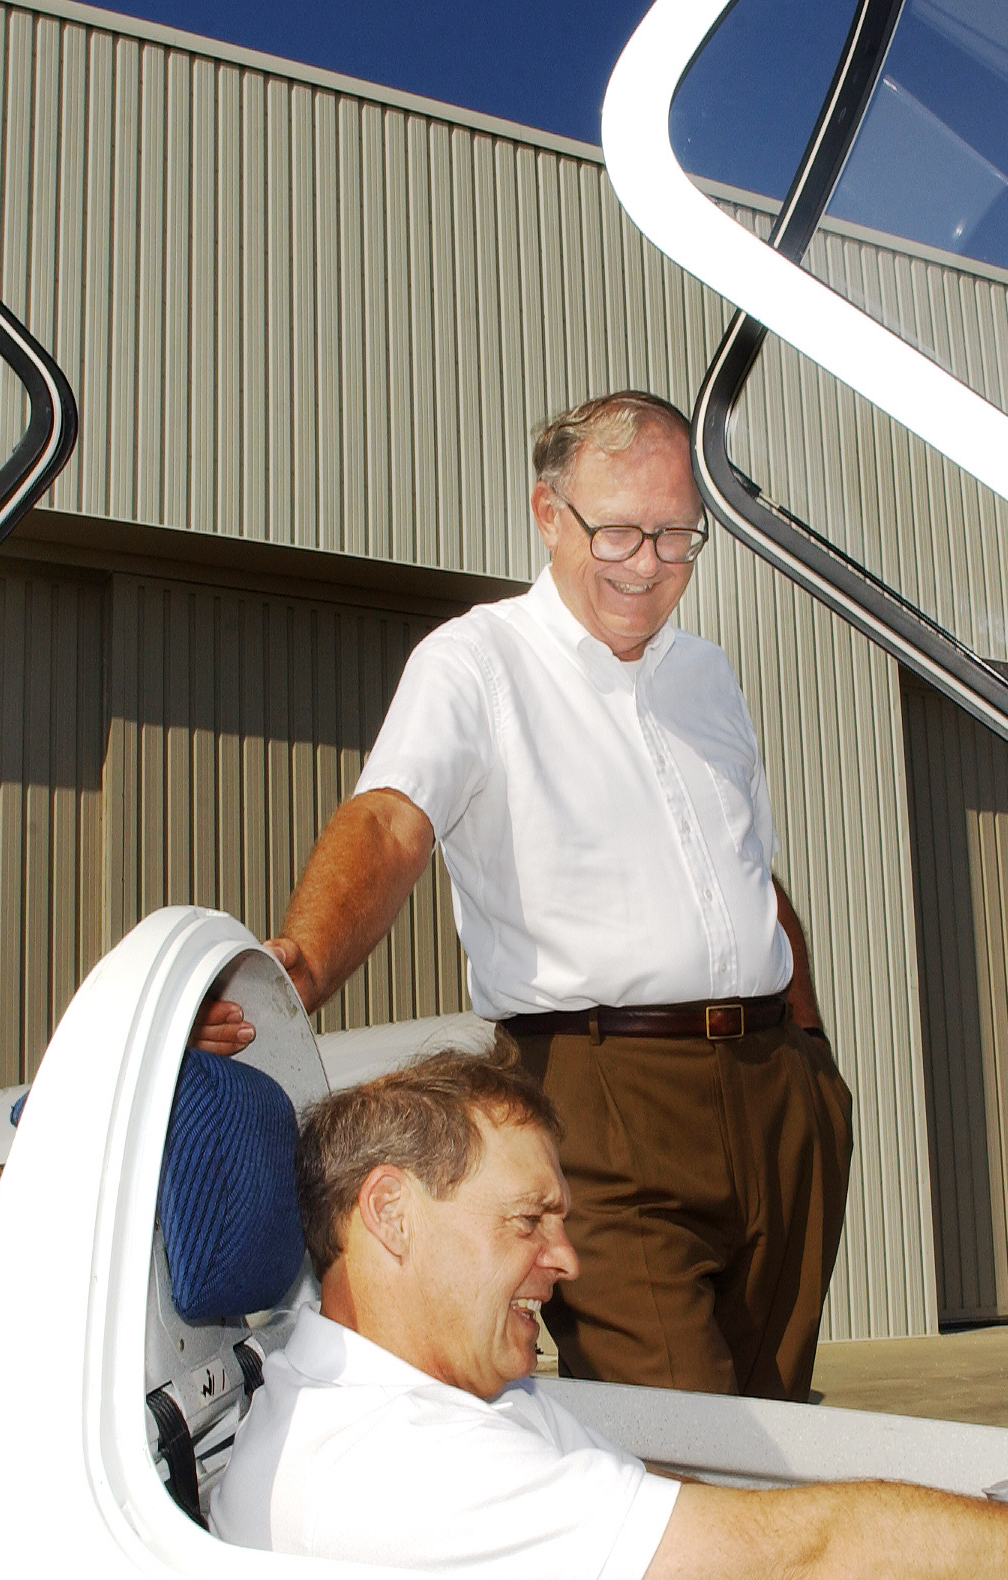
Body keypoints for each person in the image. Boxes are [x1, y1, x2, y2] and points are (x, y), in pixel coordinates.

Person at [211, 1051, 1008, 1580]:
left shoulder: (440, 1399)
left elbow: (684, 1516)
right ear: (390, 1215)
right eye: (529, 1221)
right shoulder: (393, 1465)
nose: (564, 1260)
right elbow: (808, 1561)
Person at [195, 390, 851, 1404]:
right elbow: (389, 820)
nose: (648, 564)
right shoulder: (476, 662)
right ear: (549, 516)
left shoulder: (707, 677)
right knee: (690, 1433)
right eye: (620, 531)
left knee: (779, 1418)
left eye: (678, 536)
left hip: (778, 1096)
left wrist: (809, 1056)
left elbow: (747, 865)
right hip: (604, 1095)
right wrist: (302, 964)